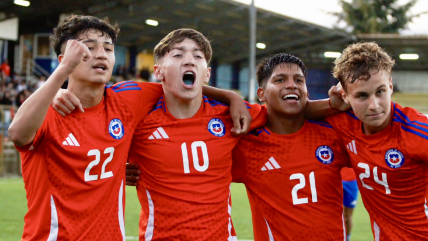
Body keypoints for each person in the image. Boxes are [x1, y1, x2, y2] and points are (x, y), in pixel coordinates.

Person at [8, 15, 165, 240]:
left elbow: (177, 87)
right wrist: (60, 76)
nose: (101, 54)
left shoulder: (127, 100)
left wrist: (229, 96)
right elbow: (17, 134)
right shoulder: (46, 110)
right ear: (65, 59)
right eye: (88, 48)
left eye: (108, 49)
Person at [231, 53, 350, 240]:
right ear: (261, 94)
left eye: (299, 80)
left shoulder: (333, 134)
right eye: (280, 80)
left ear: (307, 93)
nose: (291, 85)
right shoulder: (247, 147)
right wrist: (229, 95)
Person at [326, 42, 428, 240]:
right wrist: (329, 104)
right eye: (362, 95)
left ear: (390, 85)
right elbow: (296, 113)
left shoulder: (416, 131)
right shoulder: (344, 125)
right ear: (345, 95)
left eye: (380, 91)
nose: (374, 105)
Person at [341, 167, 359, 241]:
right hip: (334, 177)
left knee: (347, 215)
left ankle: (346, 238)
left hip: (351, 180)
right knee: (330, 213)